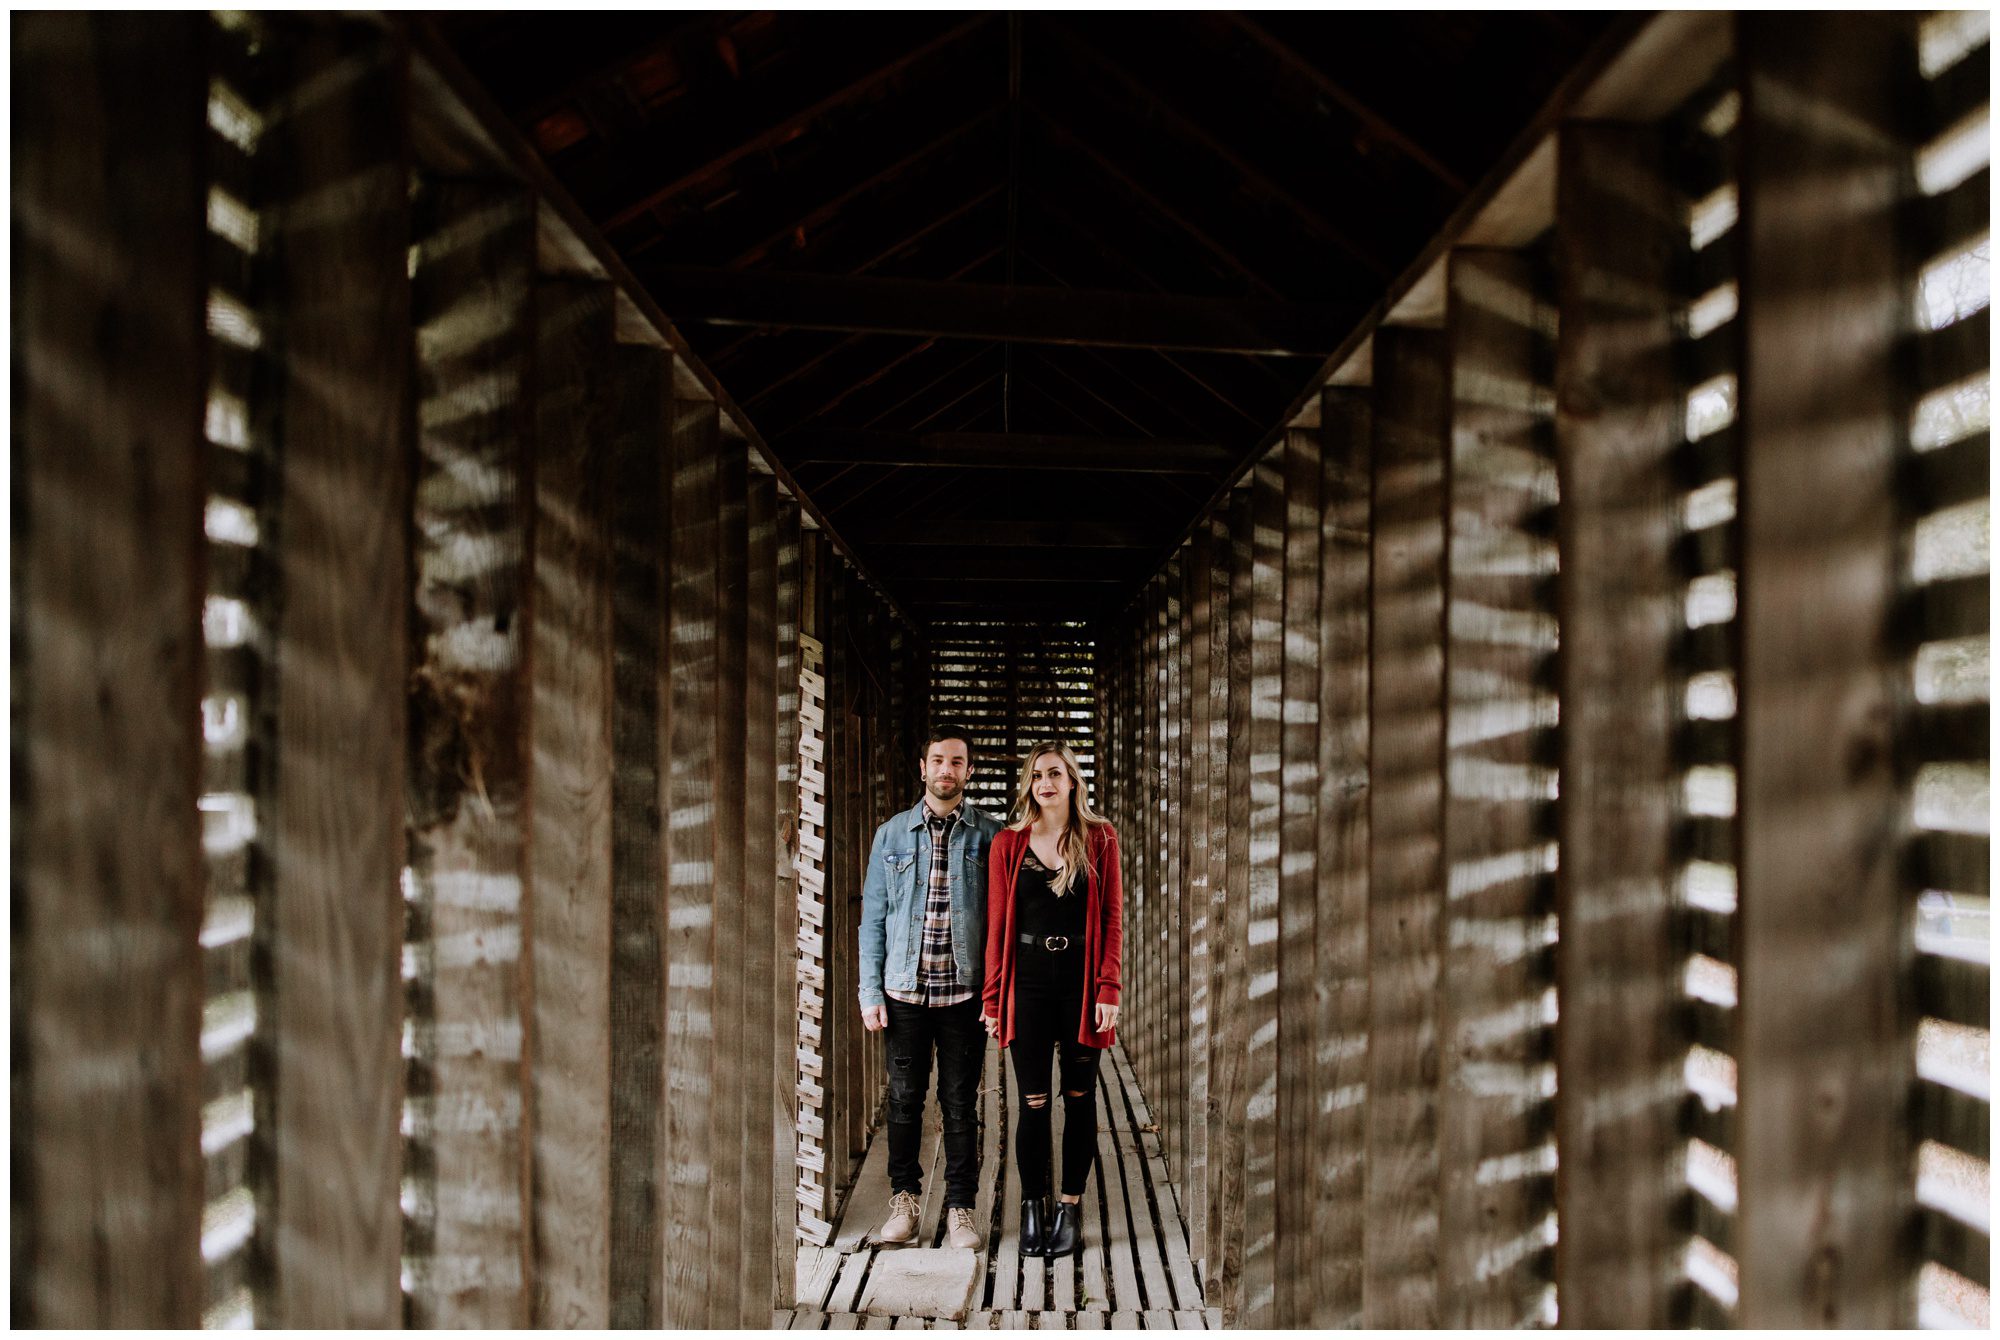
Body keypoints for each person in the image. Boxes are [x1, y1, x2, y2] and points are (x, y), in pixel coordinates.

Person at [858, 725, 1003, 1251]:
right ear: (922, 768)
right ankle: (905, 1203)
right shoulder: (891, 835)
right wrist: (869, 990)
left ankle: (961, 1209)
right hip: (904, 993)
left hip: (963, 993)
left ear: (970, 770)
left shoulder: (991, 836)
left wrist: (997, 994)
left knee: (961, 1102)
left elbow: (1003, 922)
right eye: (938, 759)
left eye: (957, 761)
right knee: (903, 1100)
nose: (947, 769)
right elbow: (873, 917)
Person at [980, 741, 1123, 1259]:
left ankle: (1069, 1207)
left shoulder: (1100, 838)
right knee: (1034, 1102)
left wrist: (1110, 988)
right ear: (1028, 784)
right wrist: (993, 1001)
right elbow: (997, 927)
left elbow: (1111, 918)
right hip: (1030, 986)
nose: (1046, 782)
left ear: (1072, 782)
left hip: (1080, 987)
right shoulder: (1008, 844)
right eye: (1037, 774)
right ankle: (1033, 1208)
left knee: (1080, 1098)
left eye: (1055, 773)